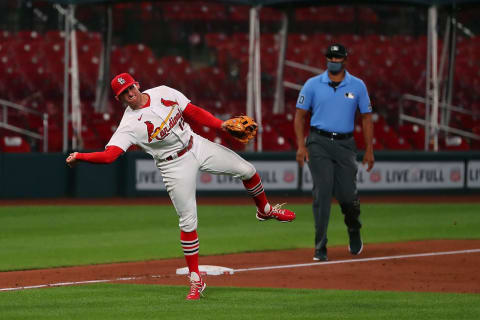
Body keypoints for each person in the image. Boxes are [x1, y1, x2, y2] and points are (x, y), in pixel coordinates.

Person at [66, 72, 296, 300]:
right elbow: (109, 156)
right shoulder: (128, 125)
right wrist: (80, 156)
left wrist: (221, 125)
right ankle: (196, 279)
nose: (130, 94)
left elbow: (193, 112)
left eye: (130, 88)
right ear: (120, 100)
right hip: (173, 166)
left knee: (248, 171)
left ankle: (264, 210)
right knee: (188, 221)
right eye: (123, 94)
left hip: (195, 144)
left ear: (137, 84)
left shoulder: (163, 92)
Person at [294, 43, 374, 262]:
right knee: (323, 191)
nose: (334, 61)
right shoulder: (312, 85)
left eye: (338, 58)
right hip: (318, 142)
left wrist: (369, 149)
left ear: (345, 60)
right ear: (326, 59)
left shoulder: (357, 85)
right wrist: (302, 146)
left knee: (348, 196)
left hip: (346, 145)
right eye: (331, 57)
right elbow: (299, 116)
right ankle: (320, 247)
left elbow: (366, 117)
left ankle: (353, 227)